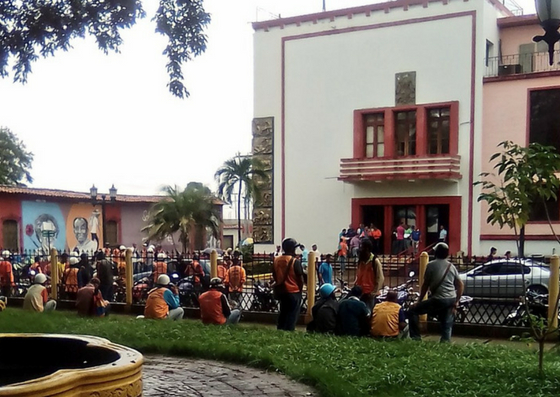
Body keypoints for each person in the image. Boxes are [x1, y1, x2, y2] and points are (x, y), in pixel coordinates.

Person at [408, 242, 464, 342]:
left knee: (413, 311)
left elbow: (425, 285)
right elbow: (460, 285)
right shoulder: (451, 266)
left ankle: (416, 337)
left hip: (438, 299)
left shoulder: (431, 265)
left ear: (436, 253)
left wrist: (419, 301)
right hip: (451, 298)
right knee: (447, 321)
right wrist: (456, 301)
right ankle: (445, 341)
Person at [273, 237, 305, 331]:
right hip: (293, 291)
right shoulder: (295, 261)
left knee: (283, 312)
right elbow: (300, 278)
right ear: (291, 249)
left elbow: (274, 275)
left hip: (282, 291)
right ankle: (289, 331)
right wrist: (300, 290)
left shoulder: (276, 260)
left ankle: (280, 330)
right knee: (292, 315)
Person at [354, 239, 385, 310]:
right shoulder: (360, 261)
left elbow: (380, 278)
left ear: (367, 249)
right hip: (360, 293)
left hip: (370, 295)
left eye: (362, 247)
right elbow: (358, 275)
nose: (360, 249)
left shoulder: (375, 262)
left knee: (369, 314)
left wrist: (373, 293)